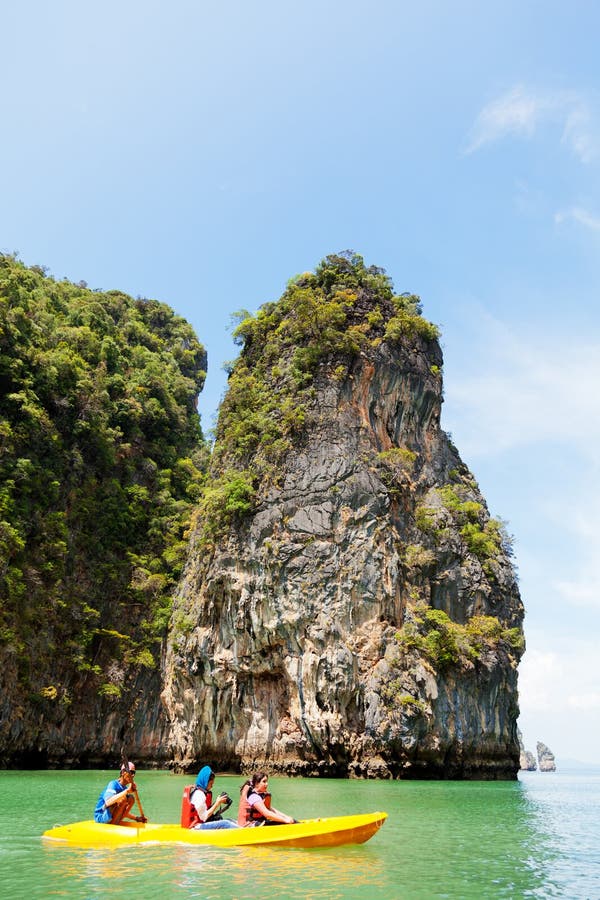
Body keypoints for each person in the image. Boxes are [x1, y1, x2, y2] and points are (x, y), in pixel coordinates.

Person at [190, 765, 239, 830]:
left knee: (229, 820)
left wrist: (218, 801)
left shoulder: (199, 792)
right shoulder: (199, 794)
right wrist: (217, 803)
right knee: (226, 823)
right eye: (211, 784)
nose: (212, 786)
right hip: (197, 827)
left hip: (200, 824)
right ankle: (244, 832)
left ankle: (244, 827)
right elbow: (204, 817)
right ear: (205, 782)